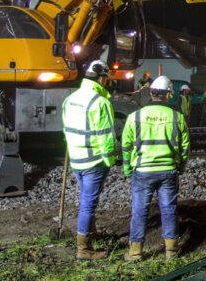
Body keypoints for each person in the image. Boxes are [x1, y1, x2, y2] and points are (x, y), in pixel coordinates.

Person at [121, 75, 190, 261]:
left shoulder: (135, 117)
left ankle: (135, 252)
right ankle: (171, 252)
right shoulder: (177, 117)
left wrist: (127, 168)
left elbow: (126, 146)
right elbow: (185, 147)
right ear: (168, 95)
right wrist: (181, 167)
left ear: (151, 93)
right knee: (169, 210)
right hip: (168, 171)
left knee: (140, 211)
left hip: (142, 171)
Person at [61, 59, 116, 260]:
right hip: (94, 162)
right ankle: (83, 250)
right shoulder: (100, 102)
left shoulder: (70, 99)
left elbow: (66, 130)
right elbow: (106, 136)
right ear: (102, 78)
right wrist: (110, 161)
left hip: (77, 159)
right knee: (88, 203)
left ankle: (91, 232)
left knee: (86, 197)